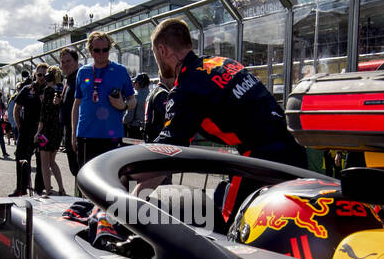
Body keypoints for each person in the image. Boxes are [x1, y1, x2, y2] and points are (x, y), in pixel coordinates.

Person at [150, 17, 306, 167]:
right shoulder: (223, 63)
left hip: (265, 159)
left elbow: (167, 149)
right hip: (294, 148)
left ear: (162, 50)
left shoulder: (186, 87)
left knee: (225, 195)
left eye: (155, 53)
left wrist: (129, 178)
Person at [70, 32, 135, 168]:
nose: (101, 53)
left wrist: (123, 106)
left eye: (105, 50)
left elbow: (132, 100)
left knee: (113, 180)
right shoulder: (83, 72)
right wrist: (73, 133)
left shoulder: (120, 71)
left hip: (112, 136)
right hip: (86, 135)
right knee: (85, 181)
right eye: (97, 50)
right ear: (90, 51)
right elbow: (76, 105)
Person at [11, 68, 44, 196]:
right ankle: (21, 188)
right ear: (35, 74)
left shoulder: (49, 90)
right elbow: (16, 108)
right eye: (39, 74)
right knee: (21, 157)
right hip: (26, 129)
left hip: (42, 130)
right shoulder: (27, 89)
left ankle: (39, 190)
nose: (41, 77)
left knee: (41, 161)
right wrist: (19, 125)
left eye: (44, 75)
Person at [36, 67, 66, 195]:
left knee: (44, 163)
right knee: (52, 162)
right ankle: (61, 188)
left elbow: (44, 114)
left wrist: (38, 132)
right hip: (57, 129)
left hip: (46, 130)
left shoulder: (48, 90)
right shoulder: (61, 90)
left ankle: (47, 190)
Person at [57, 47, 81, 178]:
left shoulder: (79, 79)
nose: (65, 64)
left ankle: (83, 198)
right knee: (75, 170)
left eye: (69, 61)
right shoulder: (69, 81)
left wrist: (74, 135)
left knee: (79, 171)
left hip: (76, 133)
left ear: (76, 62)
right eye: (63, 62)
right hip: (68, 131)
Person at [144, 71, 174, 143]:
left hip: (150, 137)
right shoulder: (163, 94)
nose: (175, 80)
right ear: (165, 77)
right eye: (173, 77)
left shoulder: (152, 92)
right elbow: (167, 118)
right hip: (158, 139)